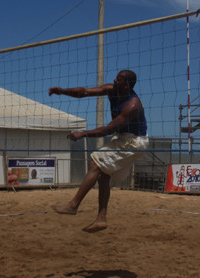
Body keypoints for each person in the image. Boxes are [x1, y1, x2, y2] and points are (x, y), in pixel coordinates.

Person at [49, 70, 148, 233]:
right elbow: (85, 92)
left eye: (119, 80)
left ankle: (73, 205)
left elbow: (108, 129)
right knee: (103, 177)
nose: (115, 80)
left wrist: (82, 134)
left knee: (95, 162)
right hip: (123, 138)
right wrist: (63, 91)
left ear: (127, 85)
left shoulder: (133, 105)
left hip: (134, 142)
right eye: (116, 77)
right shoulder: (112, 89)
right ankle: (101, 220)